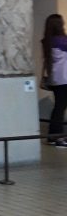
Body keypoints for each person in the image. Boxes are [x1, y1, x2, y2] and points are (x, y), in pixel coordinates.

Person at [41, 14, 67, 146]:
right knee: (60, 108)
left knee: (58, 107)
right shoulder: (62, 41)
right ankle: (57, 137)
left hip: (55, 79)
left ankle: (53, 136)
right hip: (64, 79)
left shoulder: (47, 41)